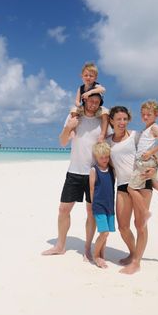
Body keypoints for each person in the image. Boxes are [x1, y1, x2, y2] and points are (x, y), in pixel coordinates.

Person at [42, 93, 104, 260]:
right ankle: (60, 246)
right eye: (91, 101)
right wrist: (68, 127)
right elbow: (62, 142)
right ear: (84, 100)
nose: (93, 104)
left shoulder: (102, 122)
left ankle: (87, 249)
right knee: (63, 209)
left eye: (97, 102)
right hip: (74, 172)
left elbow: (110, 144)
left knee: (91, 212)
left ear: (100, 104)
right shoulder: (74, 117)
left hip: (94, 173)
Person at [123, 100, 158, 274]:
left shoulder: (154, 128)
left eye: (149, 114)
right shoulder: (145, 130)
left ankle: (136, 262)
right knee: (155, 184)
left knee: (139, 221)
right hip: (145, 164)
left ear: (156, 115)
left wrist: (151, 154)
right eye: (143, 114)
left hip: (144, 164)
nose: (145, 117)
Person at [106, 106, 153, 273]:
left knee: (140, 224)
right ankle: (133, 253)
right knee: (123, 226)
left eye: (125, 119)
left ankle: (137, 262)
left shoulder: (136, 136)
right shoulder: (108, 141)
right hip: (122, 185)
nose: (122, 122)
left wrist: (154, 169)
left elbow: (154, 156)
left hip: (141, 182)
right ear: (111, 121)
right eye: (118, 119)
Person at [89, 142, 116, 269]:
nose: (104, 160)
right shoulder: (94, 170)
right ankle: (96, 255)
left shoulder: (112, 170)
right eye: (101, 157)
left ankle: (102, 253)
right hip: (99, 206)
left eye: (107, 157)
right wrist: (92, 205)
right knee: (104, 232)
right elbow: (92, 189)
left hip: (110, 206)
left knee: (107, 233)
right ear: (96, 157)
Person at [70, 62, 109, 143]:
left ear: (95, 78)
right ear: (82, 76)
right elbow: (77, 100)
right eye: (86, 75)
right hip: (85, 108)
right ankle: (73, 130)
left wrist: (89, 92)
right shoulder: (81, 88)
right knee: (73, 110)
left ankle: (103, 133)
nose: (88, 77)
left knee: (105, 113)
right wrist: (79, 105)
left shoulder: (96, 85)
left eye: (91, 76)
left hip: (97, 108)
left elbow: (103, 90)